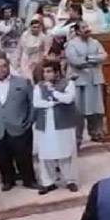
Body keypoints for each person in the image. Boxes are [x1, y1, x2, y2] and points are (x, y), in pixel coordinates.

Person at [0, 56, 38, 191]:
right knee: (1, 158)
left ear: (8, 66)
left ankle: (29, 180)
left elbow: (32, 103)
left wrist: (30, 121)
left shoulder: (23, 82)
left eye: (4, 66)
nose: (1, 69)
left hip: (19, 126)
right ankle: (8, 180)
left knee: (23, 156)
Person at [33, 59, 79, 194]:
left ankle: (70, 181)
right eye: (44, 72)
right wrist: (53, 103)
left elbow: (68, 99)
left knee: (66, 153)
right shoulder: (39, 86)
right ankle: (48, 182)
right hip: (45, 125)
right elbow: (37, 103)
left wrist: (53, 92)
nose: (46, 75)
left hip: (64, 124)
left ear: (57, 72)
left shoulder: (68, 83)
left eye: (49, 71)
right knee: (45, 155)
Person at [65, 21, 107, 145]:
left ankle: (96, 133)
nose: (87, 29)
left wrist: (89, 59)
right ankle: (77, 137)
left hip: (94, 79)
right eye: (84, 28)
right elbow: (74, 61)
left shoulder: (95, 42)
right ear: (78, 31)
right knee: (79, 111)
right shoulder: (71, 44)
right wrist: (93, 60)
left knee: (97, 110)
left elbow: (104, 56)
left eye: (87, 27)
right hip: (80, 81)